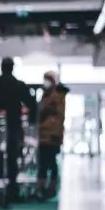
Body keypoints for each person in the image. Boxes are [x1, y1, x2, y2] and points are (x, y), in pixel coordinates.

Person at [0, 57, 37, 204]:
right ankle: (12, 189)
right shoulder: (18, 85)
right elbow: (31, 103)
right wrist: (31, 120)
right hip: (13, 124)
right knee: (12, 157)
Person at [37, 71, 69, 199]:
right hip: (43, 136)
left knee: (51, 163)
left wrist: (56, 134)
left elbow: (58, 117)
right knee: (43, 164)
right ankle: (42, 188)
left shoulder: (57, 96)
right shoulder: (46, 95)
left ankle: (51, 188)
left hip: (52, 136)